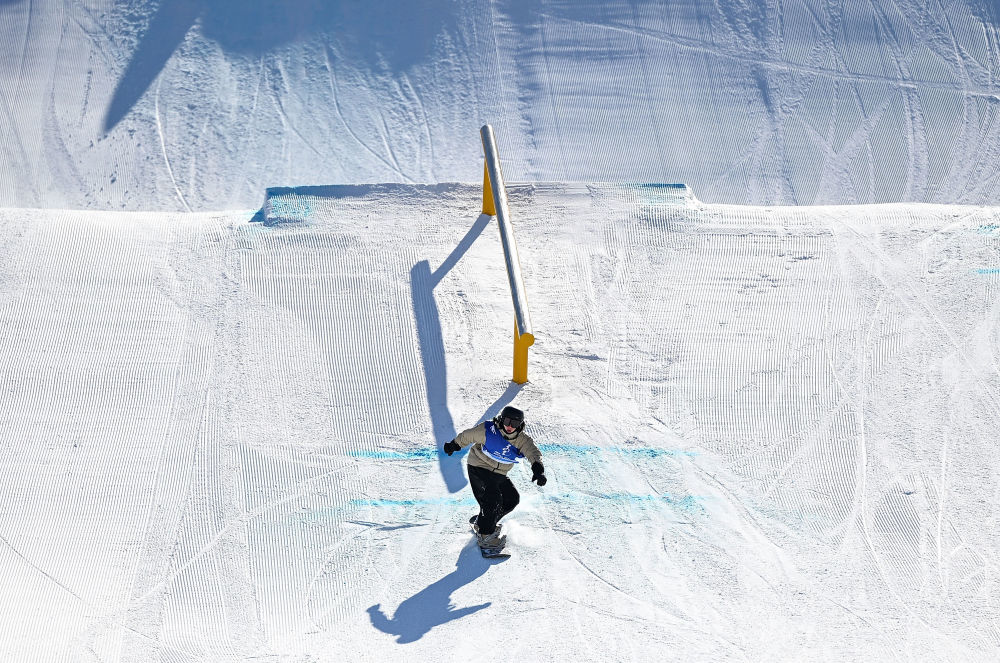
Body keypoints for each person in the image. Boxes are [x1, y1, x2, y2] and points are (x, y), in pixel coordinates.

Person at [443, 405, 547, 550]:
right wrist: (454, 445)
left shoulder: (522, 440)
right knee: (493, 499)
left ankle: (485, 524)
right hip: (479, 466)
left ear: (520, 425)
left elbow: (533, 453)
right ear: (501, 419)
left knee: (512, 499)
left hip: (499, 473)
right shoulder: (488, 430)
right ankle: (486, 536)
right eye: (507, 421)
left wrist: (538, 471)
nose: (510, 427)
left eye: (515, 424)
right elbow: (468, 435)